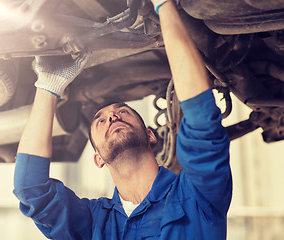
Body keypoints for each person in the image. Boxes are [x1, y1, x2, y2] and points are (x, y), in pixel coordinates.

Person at [13, 0, 232, 239]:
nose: (112, 116)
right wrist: (47, 86)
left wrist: (164, 5)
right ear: (98, 159)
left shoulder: (197, 196)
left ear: (150, 134)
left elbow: (202, 119)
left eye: (122, 111)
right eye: (100, 120)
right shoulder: (93, 221)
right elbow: (32, 191)